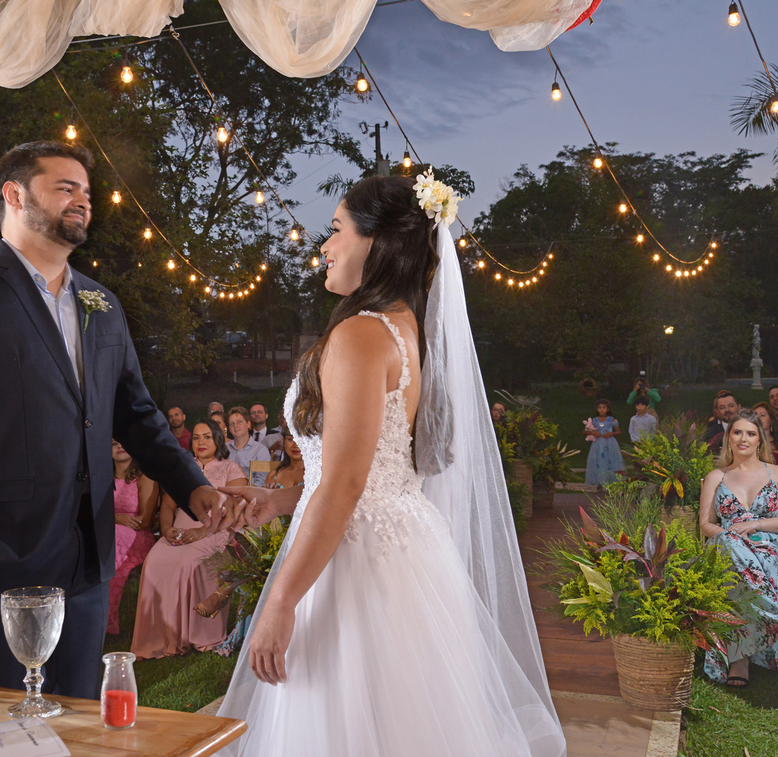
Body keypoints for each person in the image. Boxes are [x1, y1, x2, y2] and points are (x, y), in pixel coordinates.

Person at [215, 174, 565, 756]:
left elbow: (349, 482)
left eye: (335, 231)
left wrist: (279, 603)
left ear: (376, 243)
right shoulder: (408, 330)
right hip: (403, 549)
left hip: (354, 558)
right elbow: (376, 464)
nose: (323, 247)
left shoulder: (358, 336)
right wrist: (282, 500)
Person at [0, 142, 225, 699]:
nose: (83, 200)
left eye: (86, 191)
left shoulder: (102, 303)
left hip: (87, 564)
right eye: (65, 187)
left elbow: (134, 414)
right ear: (14, 196)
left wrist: (191, 483)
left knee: (75, 722)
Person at [698, 410, 778, 699]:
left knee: (746, 558)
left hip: (773, 547)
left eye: (750, 433)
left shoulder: (777, 472)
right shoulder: (716, 476)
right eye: (737, 432)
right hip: (730, 548)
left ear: (759, 439)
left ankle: (767, 634)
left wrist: (754, 525)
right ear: (729, 438)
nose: (743, 438)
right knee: (732, 552)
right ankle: (747, 649)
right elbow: (705, 524)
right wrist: (733, 536)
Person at [131, 421, 247, 659]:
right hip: (181, 528)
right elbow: (168, 506)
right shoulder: (183, 470)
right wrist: (166, 529)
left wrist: (203, 532)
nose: (201, 442)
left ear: (217, 440)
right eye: (196, 438)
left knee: (190, 562)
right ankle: (160, 634)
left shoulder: (231, 469)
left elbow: (234, 511)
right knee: (154, 561)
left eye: (206, 437)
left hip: (217, 530)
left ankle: (196, 633)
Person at [107, 441, 159, 635]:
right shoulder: (101, 477)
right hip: (109, 532)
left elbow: (143, 521)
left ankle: (106, 619)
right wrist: (116, 518)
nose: (120, 446)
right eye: (113, 443)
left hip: (137, 536)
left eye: (123, 442)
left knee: (112, 537)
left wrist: (110, 521)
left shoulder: (144, 477)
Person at [226, 406, 272, 486]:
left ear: (248, 424)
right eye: (231, 424)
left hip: (252, 494)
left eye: (239, 422)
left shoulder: (260, 450)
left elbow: (262, 480)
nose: (235, 426)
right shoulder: (224, 449)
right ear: (229, 429)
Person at [584, 399, 624, 486]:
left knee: (611, 461)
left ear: (608, 409)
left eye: (604, 407)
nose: (602, 410)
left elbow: (618, 431)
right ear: (597, 409)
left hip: (609, 443)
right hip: (598, 444)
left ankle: (611, 481)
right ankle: (600, 482)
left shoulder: (611, 419)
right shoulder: (594, 420)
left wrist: (611, 433)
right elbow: (585, 431)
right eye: (599, 408)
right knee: (599, 461)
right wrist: (593, 432)